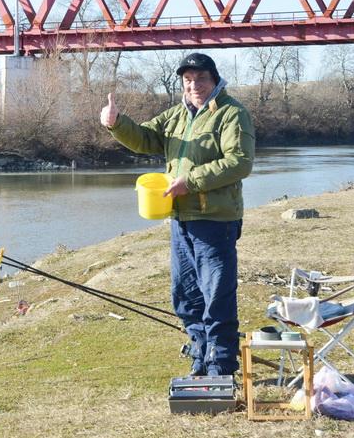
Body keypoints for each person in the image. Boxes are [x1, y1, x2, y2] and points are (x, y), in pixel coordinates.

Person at [100, 53, 255, 377]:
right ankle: (200, 357)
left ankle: (222, 365)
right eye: (188, 80)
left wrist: (191, 182)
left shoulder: (232, 114)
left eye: (200, 79)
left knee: (217, 297)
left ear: (214, 79)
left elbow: (240, 162)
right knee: (185, 297)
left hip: (216, 221)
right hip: (179, 218)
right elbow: (145, 139)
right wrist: (117, 124)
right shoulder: (176, 116)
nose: (194, 85)